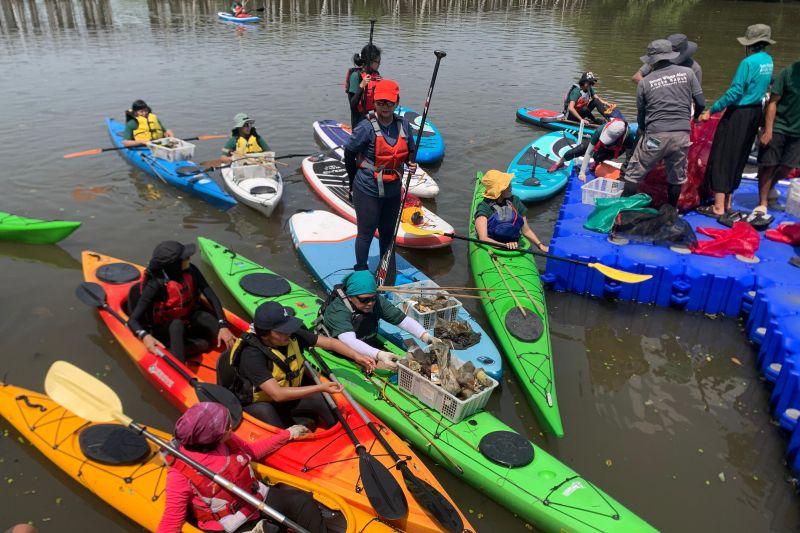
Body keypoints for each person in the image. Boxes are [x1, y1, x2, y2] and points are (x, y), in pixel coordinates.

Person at [156, 402, 327, 533]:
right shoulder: (180, 474)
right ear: (209, 437)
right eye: (226, 427)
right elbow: (170, 523)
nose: (231, 428)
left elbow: (252, 451)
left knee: (301, 502)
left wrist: (287, 434)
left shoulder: (226, 440)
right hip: (230, 524)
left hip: (257, 498)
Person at [222, 301, 376, 429]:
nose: (288, 333)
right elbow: (277, 394)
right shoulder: (252, 355)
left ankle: (343, 432)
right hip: (260, 403)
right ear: (265, 334)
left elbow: (330, 342)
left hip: (288, 398)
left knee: (320, 399)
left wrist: (357, 356)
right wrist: (321, 387)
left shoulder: (289, 335)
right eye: (282, 331)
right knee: (267, 411)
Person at [696, 24, 774, 218]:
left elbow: (735, 92)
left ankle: (718, 207)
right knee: (739, 155)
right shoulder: (768, 60)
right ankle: (729, 201)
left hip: (739, 113)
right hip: (755, 112)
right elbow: (767, 85)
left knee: (723, 156)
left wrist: (712, 109)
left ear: (749, 45)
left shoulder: (747, 63)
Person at [343, 79, 417, 284]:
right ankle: (361, 272)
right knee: (366, 233)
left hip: (393, 189)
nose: (385, 107)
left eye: (390, 103)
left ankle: (387, 270)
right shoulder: (365, 128)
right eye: (381, 102)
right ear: (374, 102)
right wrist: (351, 184)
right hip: (367, 188)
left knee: (388, 233)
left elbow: (410, 149)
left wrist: (412, 162)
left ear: (397, 102)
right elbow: (349, 154)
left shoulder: (404, 125)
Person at [621, 40, 705, 207]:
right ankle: (671, 212)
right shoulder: (688, 73)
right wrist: (695, 120)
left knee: (633, 173)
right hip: (681, 136)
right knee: (676, 177)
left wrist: (644, 131)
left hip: (655, 137)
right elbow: (700, 102)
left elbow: (641, 114)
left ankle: (621, 211)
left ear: (652, 60)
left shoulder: (645, 82)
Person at [127, 241, 236, 363]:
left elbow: (212, 298)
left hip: (187, 323)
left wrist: (223, 326)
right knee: (176, 324)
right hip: (166, 331)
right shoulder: (155, 284)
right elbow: (132, 320)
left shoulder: (192, 270)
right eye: (185, 257)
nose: (189, 258)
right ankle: (179, 366)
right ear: (174, 264)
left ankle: (239, 353)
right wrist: (144, 336)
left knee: (204, 329)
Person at [320, 271, 445, 370]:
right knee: (387, 368)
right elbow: (349, 341)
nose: (370, 303)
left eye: (373, 298)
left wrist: (425, 336)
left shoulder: (377, 302)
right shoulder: (337, 311)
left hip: (366, 339)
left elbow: (403, 321)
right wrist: (380, 355)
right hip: (341, 348)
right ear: (350, 297)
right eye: (364, 300)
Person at [756, 59, 800, 214]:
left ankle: (769, 189)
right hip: (779, 126)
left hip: (797, 132)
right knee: (769, 164)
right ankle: (762, 203)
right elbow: (773, 102)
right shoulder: (787, 73)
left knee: (788, 166)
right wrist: (768, 131)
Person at [474, 170, 549, 251]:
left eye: (509, 184)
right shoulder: (484, 207)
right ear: (498, 191)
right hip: (491, 243)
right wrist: (505, 245)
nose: (511, 187)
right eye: (506, 185)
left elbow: (526, 230)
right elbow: (483, 238)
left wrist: (540, 245)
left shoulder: (515, 200)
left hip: (512, 241)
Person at [546, 119, 638, 180]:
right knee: (577, 150)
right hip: (600, 143)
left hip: (614, 149)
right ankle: (559, 163)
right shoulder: (599, 130)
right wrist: (582, 173)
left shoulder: (629, 136)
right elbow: (588, 152)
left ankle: (597, 163)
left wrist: (625, 175)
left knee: (598, 156)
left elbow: (629, 157)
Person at [632, 34, 703, 86]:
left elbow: (695, 93)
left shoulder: (694, 68)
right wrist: (653, 87)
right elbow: (636, 77)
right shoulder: (657, 60)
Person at [345, 44, 382, 127]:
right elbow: (353, 105)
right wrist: (361, 86)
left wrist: (382, 85)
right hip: (360, 122)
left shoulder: (376, 75)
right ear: (370, 62)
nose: (380, 64)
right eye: (378, 62)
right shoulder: (356, 76)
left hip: (374, 117)